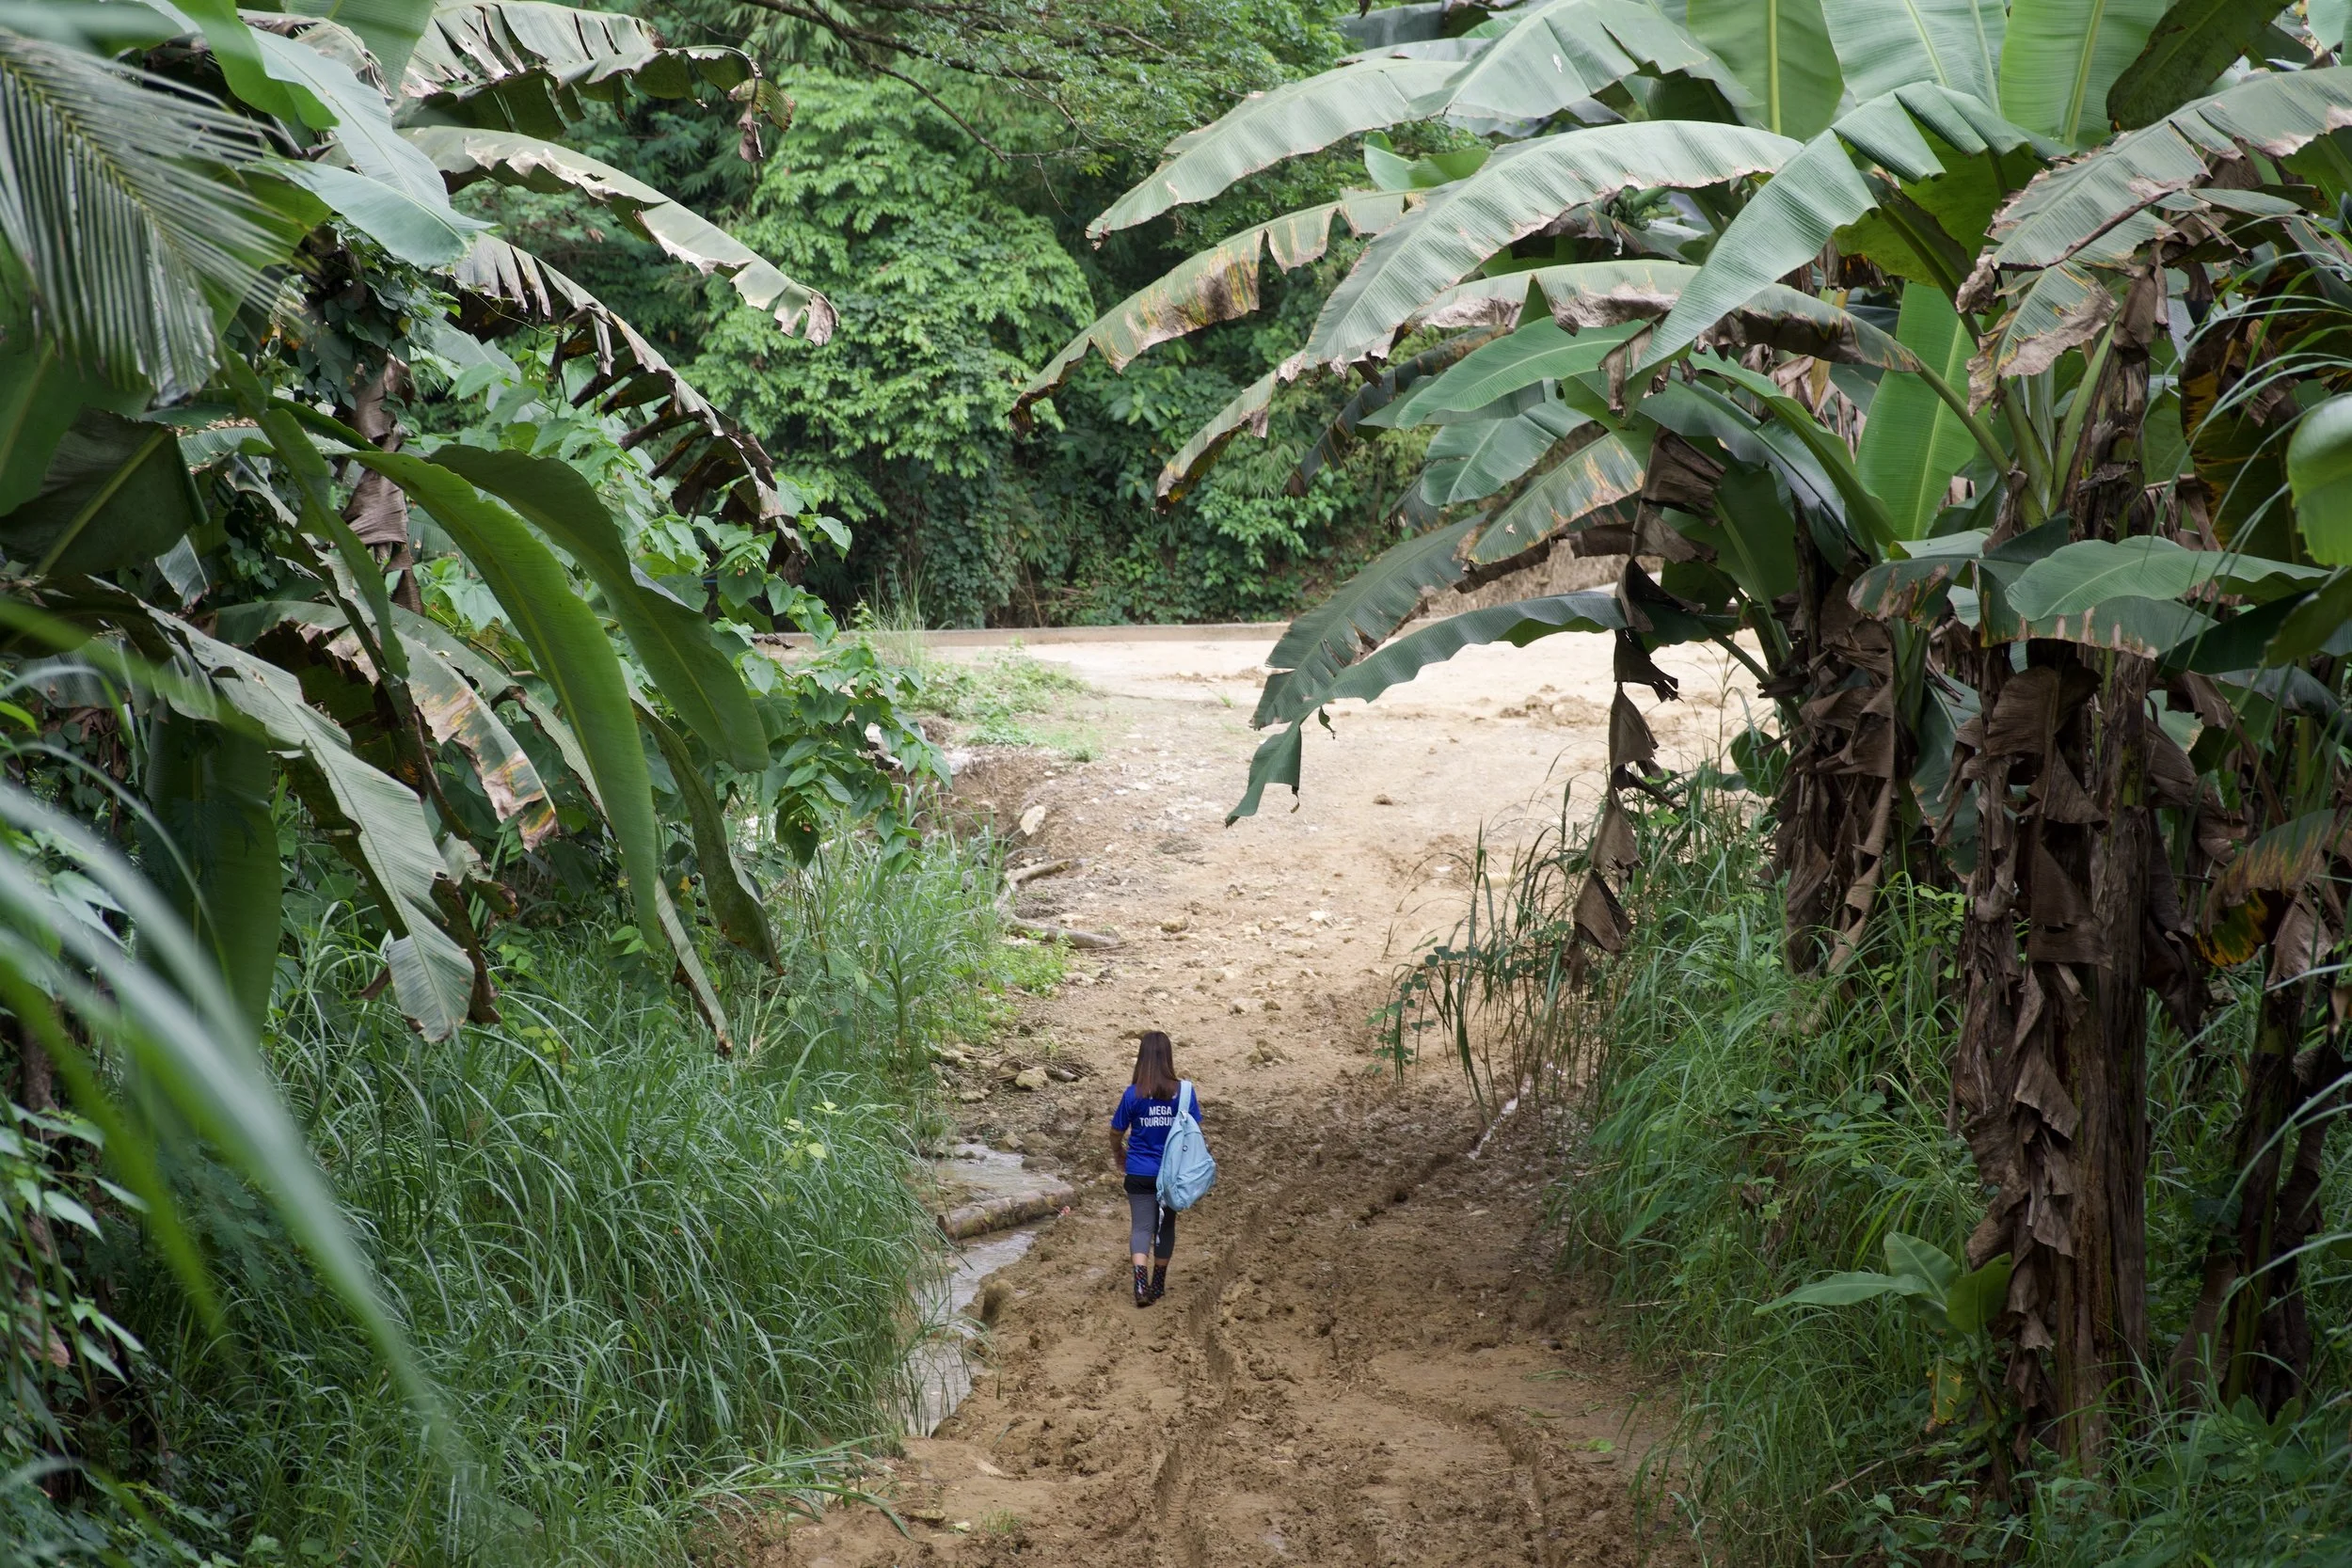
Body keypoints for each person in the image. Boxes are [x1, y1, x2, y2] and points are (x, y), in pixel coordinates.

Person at [1107, 1030, 1199, 1308]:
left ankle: (1139, 1283)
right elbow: (1193, 1131)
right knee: (1166, 1225)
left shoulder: (1132, 1094)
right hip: (1171, 1174)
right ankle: (1157, 1284)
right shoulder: (1184, 1092)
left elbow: (1115, 1130)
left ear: (1142, 1058)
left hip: (1139, 1171)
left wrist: (1118, 1151)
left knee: (1141, 1227)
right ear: (1168, 1057)